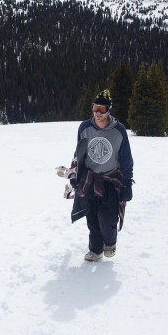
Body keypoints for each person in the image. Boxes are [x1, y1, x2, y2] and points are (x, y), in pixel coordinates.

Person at [67, 90, 134, 262]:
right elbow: (79, 153)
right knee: (92, 216)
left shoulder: (119, 130)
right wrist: (75, 173)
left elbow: (126, 158)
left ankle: (110, 243)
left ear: (108, 110)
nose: (98, 113)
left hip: (110, 178)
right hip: (90, 178)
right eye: (95, 108)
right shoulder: (84, 127)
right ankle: (95, 250)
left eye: (102, 109)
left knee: (108, 217)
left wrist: (127, 183)